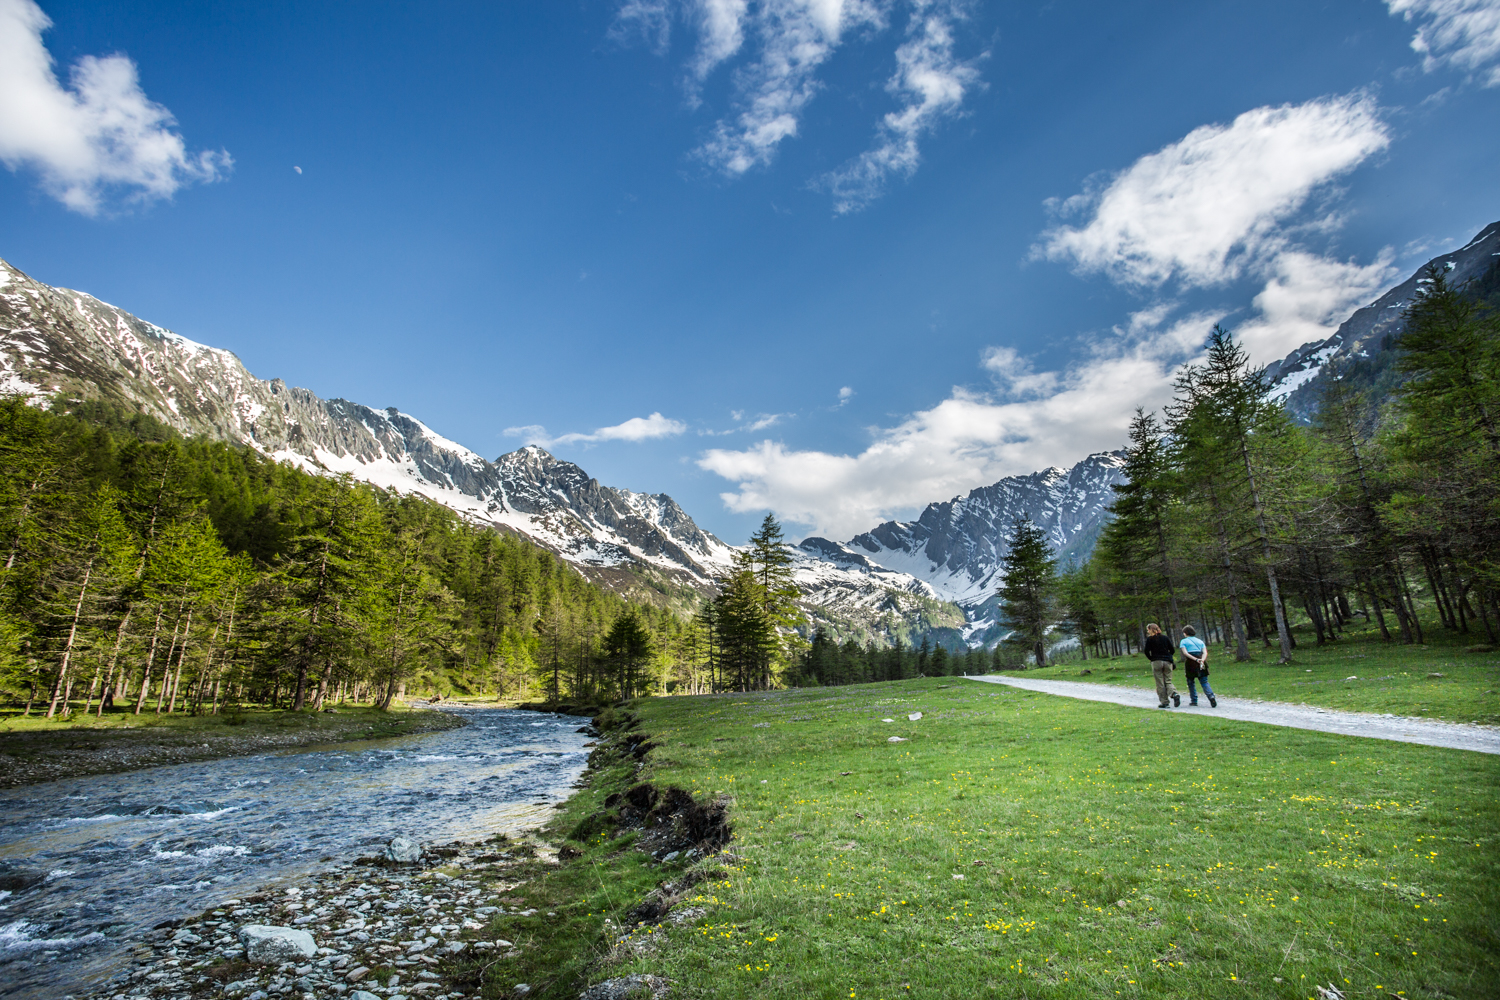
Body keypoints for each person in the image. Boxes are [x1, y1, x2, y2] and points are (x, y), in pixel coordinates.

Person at [1143, 623, 1179, 708]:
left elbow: (1146, 651)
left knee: (1160, 683)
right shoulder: (1165, 638)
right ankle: (1174, 693)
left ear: (1150, 630)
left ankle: (1165, 702)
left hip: (1156, 661)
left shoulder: (1150, 639)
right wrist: (1169, 656)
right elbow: (1172, 650)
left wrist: (1151, 658)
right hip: (1167, 661)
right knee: (1168, 680)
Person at [1179, 625, 1216, 707]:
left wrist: (1195, 659)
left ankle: (1194, 700)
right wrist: (1202, 660)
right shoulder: (1200, 641)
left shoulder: (1183, 641)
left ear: (1185, 633)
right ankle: (1211, 696)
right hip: (1201, 661)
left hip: (1190, 662)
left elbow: (1185, 653)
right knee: (1204, 681)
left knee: (1190, 681)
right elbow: (1205, 652)